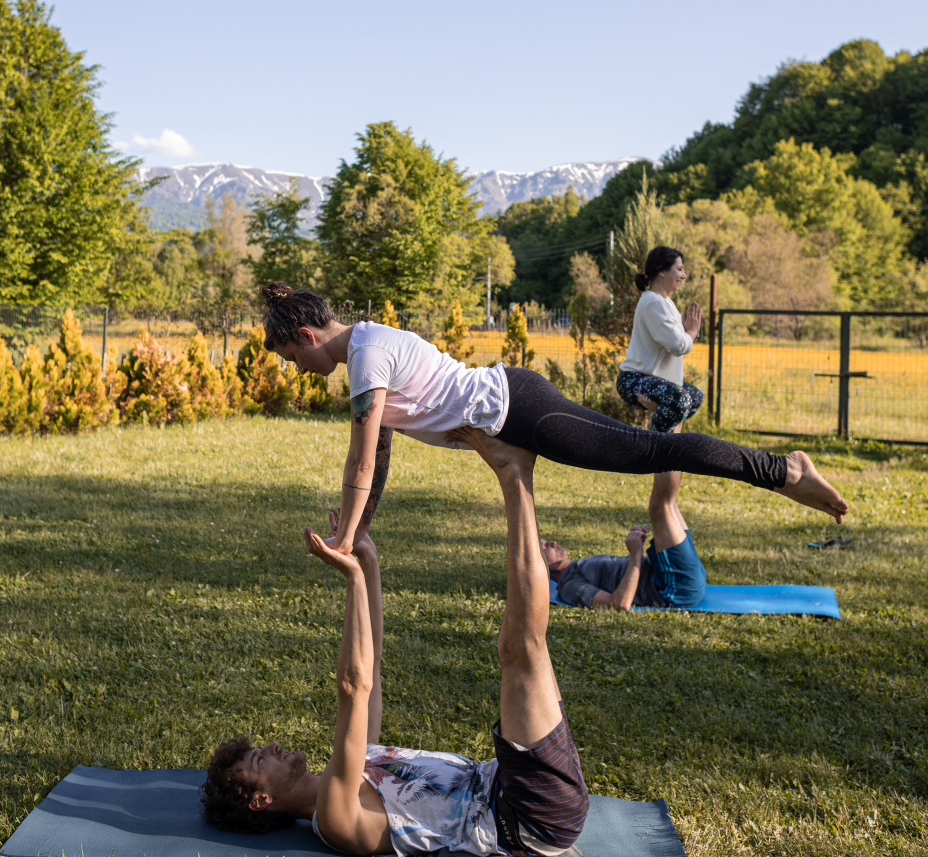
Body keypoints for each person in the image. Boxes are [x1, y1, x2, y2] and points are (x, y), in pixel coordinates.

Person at [201, 430, 590, 857]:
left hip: (510, 780)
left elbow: (374, 663)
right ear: (261, 801)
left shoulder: (351, 763)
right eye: (259, 761)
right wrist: (350, 581)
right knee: (518, 648)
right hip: (526, 815)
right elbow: (354, 686)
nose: (272, 748)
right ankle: (515, 473)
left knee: (524, 647)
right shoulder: (335, 816)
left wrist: (368, 562)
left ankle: (516, 470)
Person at [257, 283, 847, 559]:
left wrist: (341, 539)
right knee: (643, 453)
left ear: (307, 336)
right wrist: (359, 528)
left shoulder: (365, 356)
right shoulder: (367, 348)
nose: (298, 369)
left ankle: (784, 469)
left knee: (647, 454)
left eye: (292, 358)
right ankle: (781, 471)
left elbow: (359, 459)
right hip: (513, 405)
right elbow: (379, 453)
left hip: (520, 411)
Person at [542, 474, 707, 611]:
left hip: (671, 575)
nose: (552, 543)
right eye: (543, 547)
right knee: (660, 506)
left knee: (669, 505)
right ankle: (666, 439)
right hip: (675, 587)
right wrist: (636, 554)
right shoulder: (569, 586)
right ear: (539, 566)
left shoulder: (576, 568)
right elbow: (618, 604)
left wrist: (637, 538)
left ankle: (670, 438)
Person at [616, 246, 704, 434]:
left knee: (694, 396)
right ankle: (654, 452)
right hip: (635, 379)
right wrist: (692, 332)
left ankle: (669, 446)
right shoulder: (653, 302)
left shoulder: (665, 302)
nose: (684, 275)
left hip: (656, 379)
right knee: (680, 399)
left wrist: (685, 329)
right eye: (679, 269)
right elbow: (678, 345)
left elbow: (677, 338)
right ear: (662, 271)